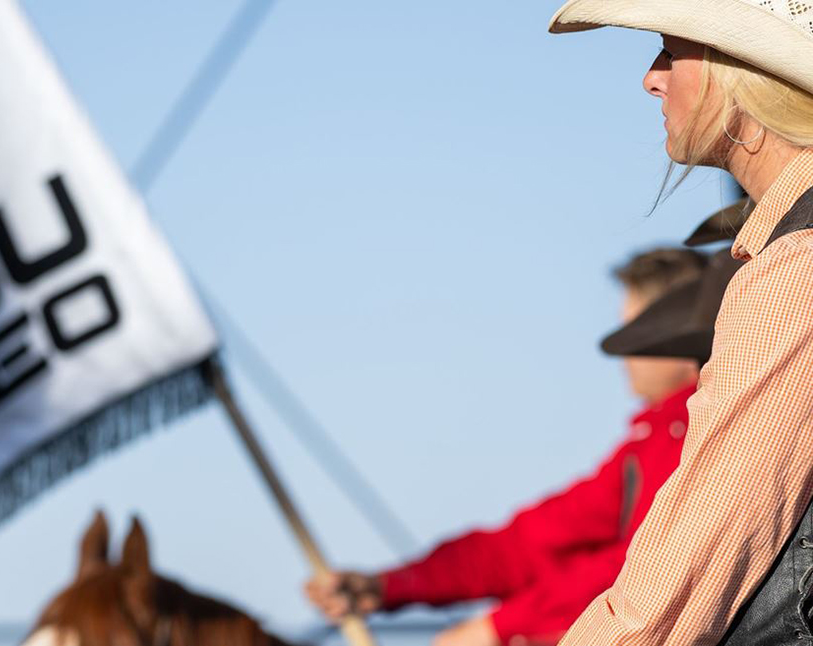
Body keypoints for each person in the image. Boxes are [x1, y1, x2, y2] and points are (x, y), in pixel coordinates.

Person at [547, 2, 813, 643]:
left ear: (743, 74)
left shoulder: (796, 271)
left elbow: (677, 585)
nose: (652, 77)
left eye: (672, 50)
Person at [305, 248, 706, 646]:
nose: (624, 355)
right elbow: (525, 547)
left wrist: (497, 628)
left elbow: (648, 566)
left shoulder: (693, 432)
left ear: (685, 332)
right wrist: (389, 586)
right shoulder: (650, 442)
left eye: (636, 331)